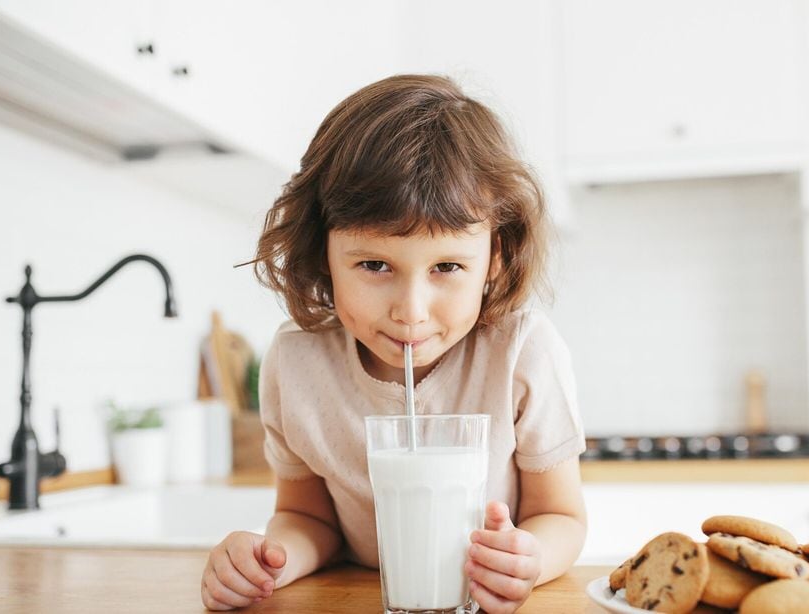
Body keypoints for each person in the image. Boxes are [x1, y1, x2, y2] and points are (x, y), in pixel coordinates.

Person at [201, 74, 587, 613]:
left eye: (448, 266)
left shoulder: (522, 352)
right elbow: (309, 518)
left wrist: (529, 559)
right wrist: (270, 559)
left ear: (494, 258)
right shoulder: (295, 364)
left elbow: (561, 517)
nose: (411, 310)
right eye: (374, 265)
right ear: (323, 254)